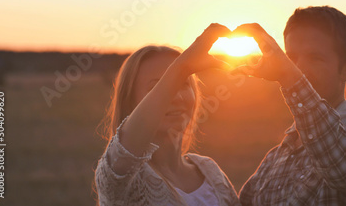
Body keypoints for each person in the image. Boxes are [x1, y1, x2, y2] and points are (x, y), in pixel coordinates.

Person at [235, 6, 346, 205]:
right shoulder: (276, 156)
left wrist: (291, 78)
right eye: (291, 58)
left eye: (315, 58)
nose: (299, 68)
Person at [94, 24, 241, 206]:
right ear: (132, 104)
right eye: (158, 87)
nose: (177, 97)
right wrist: (181, 67)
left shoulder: (210, 171)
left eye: (184, 83)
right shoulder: (122, 179)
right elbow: (123, 154)